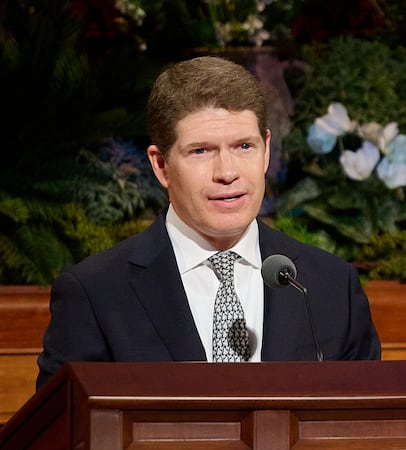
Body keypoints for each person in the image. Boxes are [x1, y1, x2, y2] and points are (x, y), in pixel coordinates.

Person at [36, 56, 381, 390]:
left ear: (266, 150)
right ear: (161, 165)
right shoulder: (96, 293)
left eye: (244, 146)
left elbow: (368, 429)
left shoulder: (330, 287)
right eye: (201, 151)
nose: (228, 172)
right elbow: (63, 434)